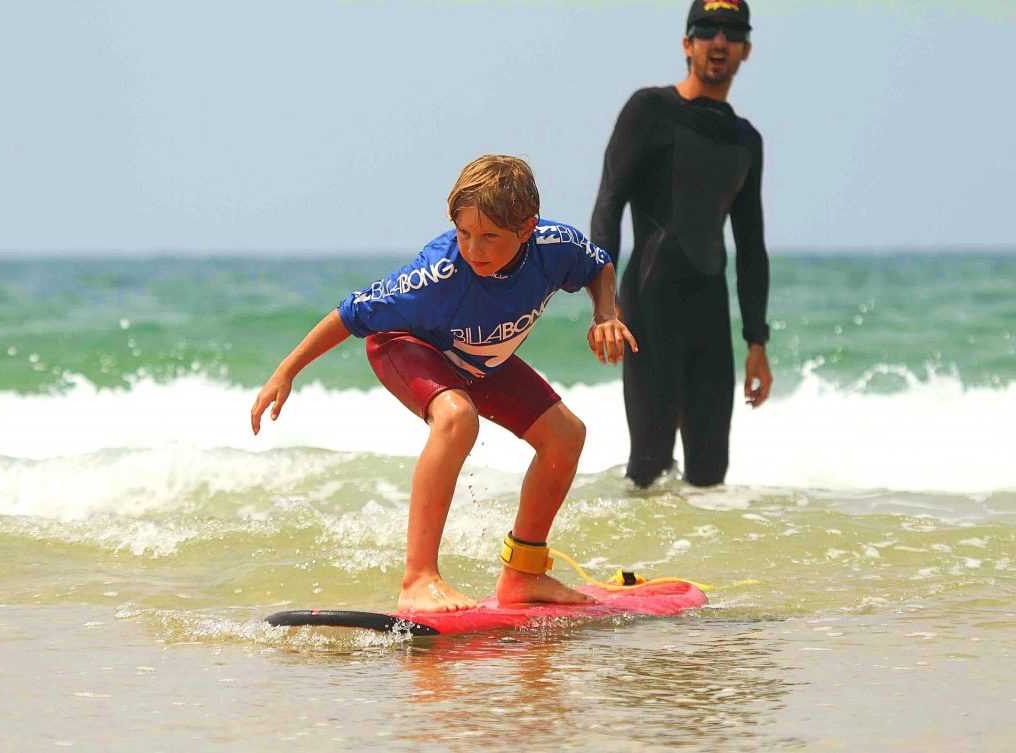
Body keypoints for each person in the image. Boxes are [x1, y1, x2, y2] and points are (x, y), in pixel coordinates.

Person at [250, 155, 638, 613]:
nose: (475, 248)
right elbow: (350, 313)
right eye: (464, 233)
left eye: (490, 236)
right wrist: (286, 371)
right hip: (405, 345)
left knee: (566, 437)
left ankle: (523, 575)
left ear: (528, 227)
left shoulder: (556, 246)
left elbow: (598, 265)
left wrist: (606, 314)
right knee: (456, 418)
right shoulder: (436, 275)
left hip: (479, 360)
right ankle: (418, 579)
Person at [590, 0, 773, 488]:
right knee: (649, 468)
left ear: (746, 50)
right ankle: (637, 561)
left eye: (732, 33)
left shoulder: (745, 140)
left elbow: (751, 245)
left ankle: (698, 564)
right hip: (650, 310)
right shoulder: (649, 110)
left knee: (711, 475)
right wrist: (604, 306)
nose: (720, 41)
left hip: (711, 321)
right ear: (687, 43)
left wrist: (757, 340)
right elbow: (609, 204)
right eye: (707, 29)